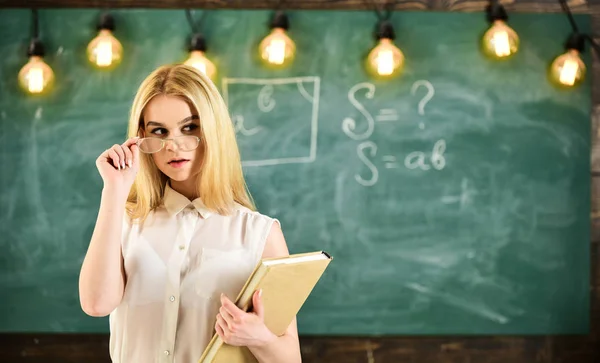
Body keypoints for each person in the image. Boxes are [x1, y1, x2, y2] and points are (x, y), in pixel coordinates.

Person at [78, 64, 302, 363]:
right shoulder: (125, 221)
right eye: (159, 131)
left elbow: (291, 358)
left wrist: (257, 337)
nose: (173, 145)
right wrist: (114, 191)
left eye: (189, 128)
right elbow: (96, 304)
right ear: (142, 137)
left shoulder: (259, 233)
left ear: (212, 130)